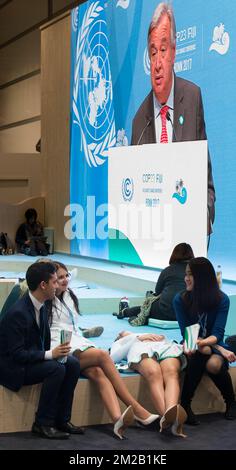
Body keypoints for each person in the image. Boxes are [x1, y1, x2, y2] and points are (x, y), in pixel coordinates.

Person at [48, 261, 159, 439]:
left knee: (98, 372)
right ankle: (136, 408)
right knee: (102, 356)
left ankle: (117, 420)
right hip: (59, 348)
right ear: (51, 280)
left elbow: (70, 280)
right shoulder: (47, 299)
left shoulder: (68, 294)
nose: (64, 280)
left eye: (66, 276)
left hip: (75, 342)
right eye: (59, 277)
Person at [131, 2, 215, 234]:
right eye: (153, 51)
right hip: (153, 235)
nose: (157, 63)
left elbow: (206, 178)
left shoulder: (192, 98)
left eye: (164, 50)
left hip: (189, 233)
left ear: (174, 52)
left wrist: (205, 216)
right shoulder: (139, 120)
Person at [0, 262, 82, 439]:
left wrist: (56, 353)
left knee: (73, 364)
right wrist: (50, 355)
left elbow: (42, 343)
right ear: (43, 285)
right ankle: (43, 423)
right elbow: (17, 355)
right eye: (54, 282)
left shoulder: (41, 305)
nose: (58, 285)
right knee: (56, 368)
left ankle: (62, 419)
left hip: (31, 359)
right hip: (13, 367)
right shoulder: (18, 313)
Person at [173, 257, 236, 425]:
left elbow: (218, 334)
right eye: (186, 274)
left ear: (203, 278)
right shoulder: (180, 300)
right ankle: (185, 404)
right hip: (192, 342)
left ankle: (231, 401)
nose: (186, 278)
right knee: (204, 351)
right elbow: (188, 334)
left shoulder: (222, 299)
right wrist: (199, 344)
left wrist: (209, 344)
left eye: (191, 275)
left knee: (213, 363)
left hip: (210, 343)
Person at [110, 330, 187, 437]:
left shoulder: (154, 334)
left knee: (172, 372)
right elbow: (114, 356)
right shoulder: (122, 342)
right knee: (153, 373)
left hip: (165, 346)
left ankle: (171, 414)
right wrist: (136, 338)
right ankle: (169, 418)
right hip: (141, 349)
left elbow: (123, 331)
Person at [115, 243, 194, 324]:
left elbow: (158, 291)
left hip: (165, 312)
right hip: (188, 314)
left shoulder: (168, 270)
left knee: (145, 307)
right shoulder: (195, 271)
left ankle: (124, 312)